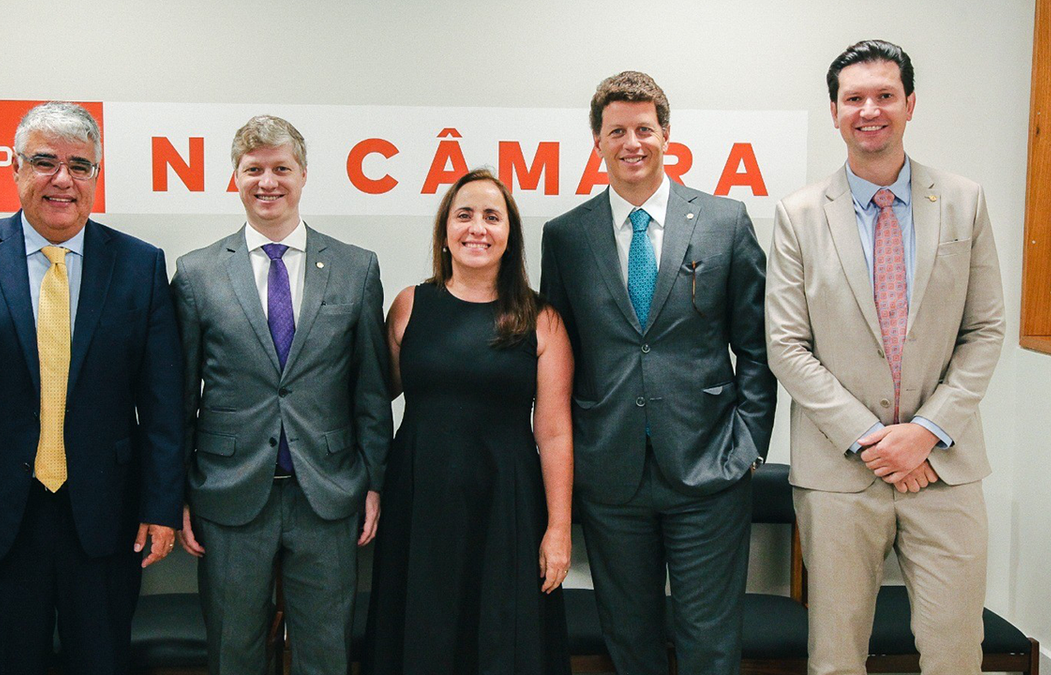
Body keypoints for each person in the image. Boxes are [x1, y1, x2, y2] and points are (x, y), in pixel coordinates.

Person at [0, 101, 184, 675]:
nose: (63, 179)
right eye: (44, 162)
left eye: (80, 166)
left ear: (96, 177)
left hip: (106, 519)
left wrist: (160, 506)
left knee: (102, 663)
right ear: (14, 169)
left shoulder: (138, 264)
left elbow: (163, 405)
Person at [766, 40, 1005, 675]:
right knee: (836, 655)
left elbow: (985, 330)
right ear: (836, 111)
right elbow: (787, 347)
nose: (869, 109)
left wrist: (923, 434)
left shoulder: (963, 201)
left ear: (910, 104)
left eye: (884, 96)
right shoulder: (796, 216)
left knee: (955, 651)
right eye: (854, 99)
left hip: (945, 469)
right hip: (840, 474)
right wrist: (876, 440)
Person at [540, 71, 776, 675]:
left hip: (709, 469)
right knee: (630, 639)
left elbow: (757, 346)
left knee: (709, 642)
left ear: (666, 134)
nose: (632, 143)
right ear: (597, 142)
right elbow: (557, 361)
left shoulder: (725, 221)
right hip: (611, 473)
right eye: (616, 131)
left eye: (644, 128)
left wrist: (747, 446)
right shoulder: (566, 236)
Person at [172, 115, 392, 675]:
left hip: (327, 491)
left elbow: (369, 390)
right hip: (227, 493)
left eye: (280, 169)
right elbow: (176, 397)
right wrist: (175, 494)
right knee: (235, 650)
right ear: (235, 178)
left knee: (326, 651)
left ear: (303, 175)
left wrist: (373, 483)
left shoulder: (355, 267)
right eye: (254, 170)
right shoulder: (196, 274)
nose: (267, 181)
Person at [363, 168, 573, 675]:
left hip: (507, 503)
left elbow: (554, 430)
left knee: (501, 635)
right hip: (419, 498)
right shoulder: (410, 305)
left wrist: (559, 529)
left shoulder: (541, 319)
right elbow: (373, 395)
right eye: (464, 215)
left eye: (492, 216)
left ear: (510, 234)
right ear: (445, 231)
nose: (477, 227)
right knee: (421, 630)